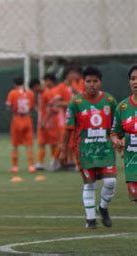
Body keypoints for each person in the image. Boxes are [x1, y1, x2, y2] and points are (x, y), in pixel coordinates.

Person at [60, 67, 117, 229]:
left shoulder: (110, 100)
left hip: (105, 148)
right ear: (83, 83)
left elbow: (118, 124)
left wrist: (118, 140)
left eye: (95, 81)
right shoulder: (76, 102)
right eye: (88, 81)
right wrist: (64, 150)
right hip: (85, 151)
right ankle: (90, 219)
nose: (92, 84)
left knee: (111, 181)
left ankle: (103, 208)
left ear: (100, 82)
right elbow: (68, 128)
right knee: (90, 184)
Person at [111, 65, 137, 203]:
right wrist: (117, 141)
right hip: (132, 165)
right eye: (133, 79)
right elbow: (114, 133)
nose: (135, 82)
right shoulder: (122, 107)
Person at [6, 77, 36, 175]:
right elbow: (32, 107)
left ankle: (15, 166)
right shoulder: (30, 93)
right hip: (27, 118)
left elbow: (9, 106)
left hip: (17, 118)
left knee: (15, 145)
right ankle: (31, 166)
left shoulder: (12, 93)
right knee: (29, 144)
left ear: (15, 84)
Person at [36, 74, 61, 171]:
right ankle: (52, 162)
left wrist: (44, 121)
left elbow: (53, 108)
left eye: (46, 81)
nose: (45, 83)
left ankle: (52, 162)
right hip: (49, 120)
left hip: (52, 121)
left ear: (51, 81)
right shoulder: (46, 92)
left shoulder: (52, 92)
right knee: (51, 142)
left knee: (54, 142)